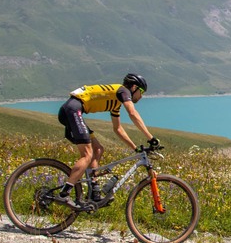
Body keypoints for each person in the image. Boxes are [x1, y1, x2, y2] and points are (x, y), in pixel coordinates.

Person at [56, 73, 158, 207]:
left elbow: (118, 129)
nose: (141, 96)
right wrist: (151, 138)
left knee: (98, 149)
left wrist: (135, 148)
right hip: (73, 110)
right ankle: (64, 194)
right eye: (142, 92)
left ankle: (94, 192)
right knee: (87, 155)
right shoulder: (123, 91)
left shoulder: (116, 102)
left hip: (73, 110)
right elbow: (132, 113)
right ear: (134, 87)